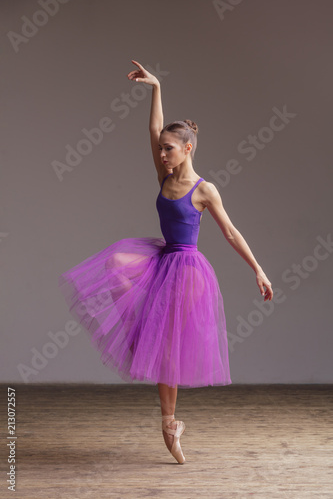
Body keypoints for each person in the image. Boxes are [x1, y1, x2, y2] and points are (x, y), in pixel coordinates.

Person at [58, 59, 273, 465]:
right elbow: (154, 128)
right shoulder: (164, 175)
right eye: (161, 150)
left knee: (170, 349)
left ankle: (171, 423)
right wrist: (155, 86)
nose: (162, 153)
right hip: (160, 259)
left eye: (169, 149)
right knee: (116, 264)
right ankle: (158, 387)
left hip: (188, 271)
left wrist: (258, 270)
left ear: (188, 148)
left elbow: (231, 232)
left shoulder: (203, 189)